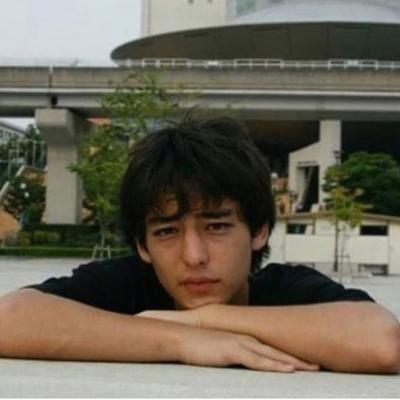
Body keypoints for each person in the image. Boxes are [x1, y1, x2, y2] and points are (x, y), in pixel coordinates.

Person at [0, 117, 399, 374]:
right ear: (142, 245)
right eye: (166, 232)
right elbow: (10, 317)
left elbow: (382, 342)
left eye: (217, 226)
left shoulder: (286, 290)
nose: (194, 256)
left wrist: (206, 319)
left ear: (259, 231)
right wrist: (181, 340)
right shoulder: (125, 284)